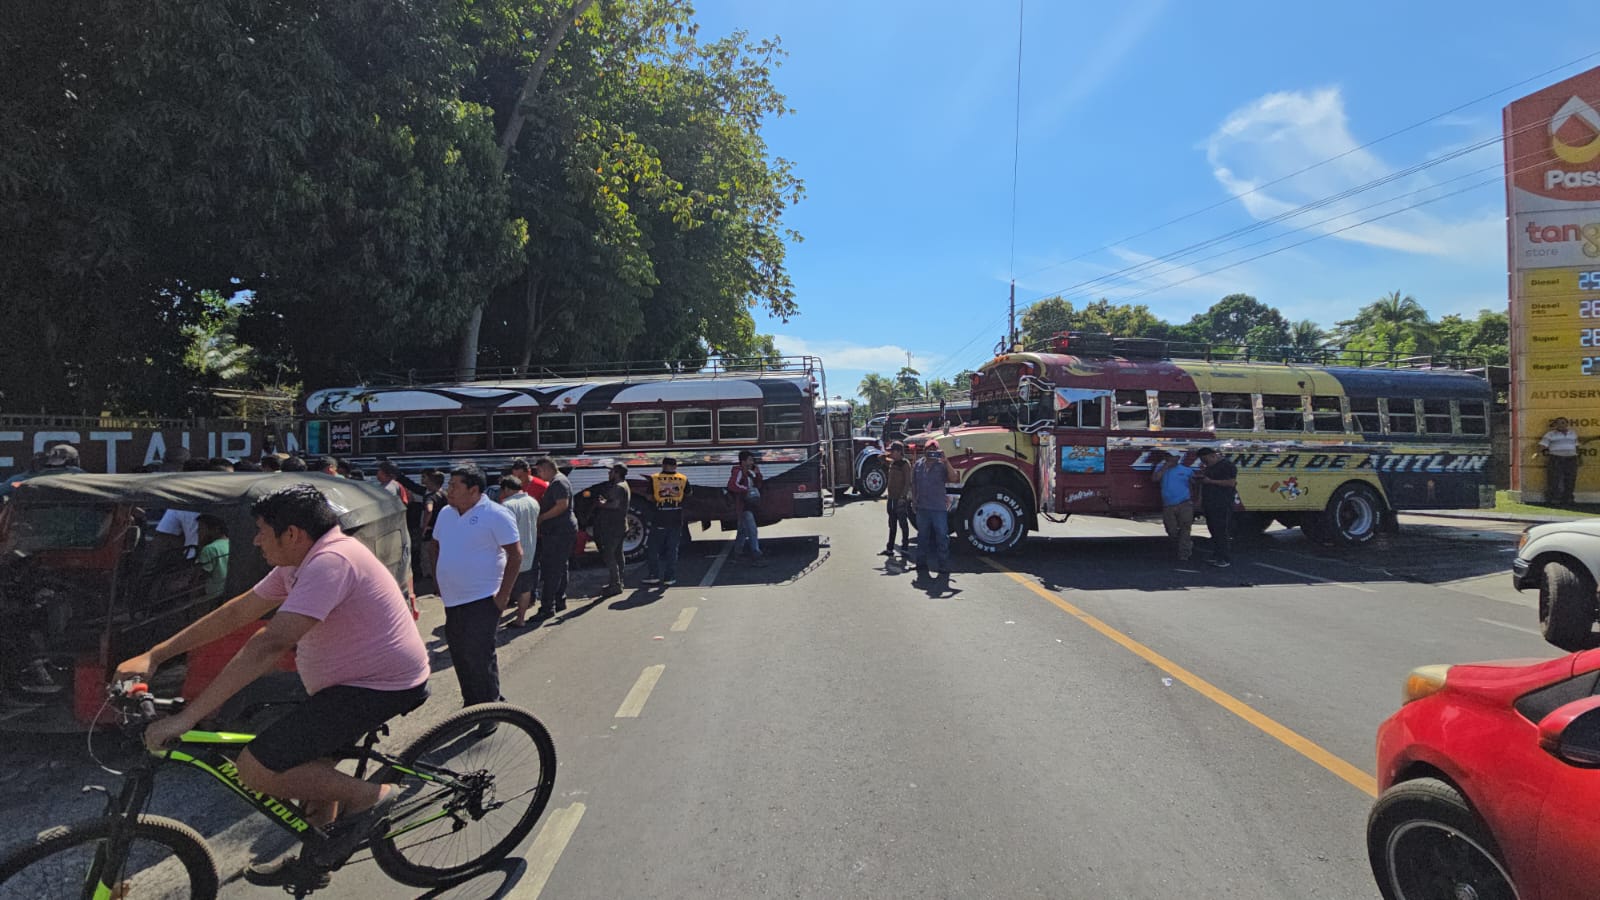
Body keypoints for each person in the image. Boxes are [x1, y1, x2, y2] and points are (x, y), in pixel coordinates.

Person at [115, 485, 429, 883]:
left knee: (257, 768)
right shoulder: (300, 561)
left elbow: (268, 645)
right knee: (307, 765)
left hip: (381, 685)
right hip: (344, 680)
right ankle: (319, 856)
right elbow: (240, 611)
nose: (255, 540)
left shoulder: (330, 562)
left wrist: (187, 718)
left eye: (262, 530)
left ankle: (372, 797)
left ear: (293, 533)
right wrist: (156, 655)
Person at [429, 464, 521, 707]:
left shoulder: (496, 514)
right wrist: (438, 579)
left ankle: (490, 707)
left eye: (454, 486)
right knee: (460, 655)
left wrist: (503, 596)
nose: (449, 490)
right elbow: (435, 545)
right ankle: (471, 704)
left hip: (483, 597)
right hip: (452, 598)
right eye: (449, 485)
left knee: (480, 656)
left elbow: (516, 555)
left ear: (474, 490)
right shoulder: (446, 513)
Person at [531, 457, 577, 618]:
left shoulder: (558, 483)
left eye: (539, 471)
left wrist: (542, 517)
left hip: (559, 530)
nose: (538, 474)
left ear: (546, 468)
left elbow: (561, 505)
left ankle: (547, 607)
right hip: (560, 529)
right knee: (560, 566)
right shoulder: (558, 481)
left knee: (552, 568)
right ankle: (559, 600)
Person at [909, 441, 958, 579]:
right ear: (924, 450)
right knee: (922, 537)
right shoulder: (918, 465)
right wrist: (913, 499)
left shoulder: (942, 465)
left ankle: (943, 565)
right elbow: (914, 483)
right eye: (928, 449)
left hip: (938, 508)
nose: (931, 452)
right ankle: (921, 563)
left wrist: (946, 460)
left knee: (942, 537)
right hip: (922, 507)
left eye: (934, 449)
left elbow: (954, 477)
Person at [496, 475, 541, 627]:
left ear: (507, 489)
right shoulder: (533, 502)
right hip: (530, 550)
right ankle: (520, 619)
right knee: (525, 588)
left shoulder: (506, 506)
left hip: (511, 553)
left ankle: (495, 621)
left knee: (505, 589)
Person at [643, 457, 689, 587]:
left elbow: (648, 496)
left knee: (653, 548)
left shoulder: (655, 478)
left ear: (663, 465)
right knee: (672, 549)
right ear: (675, 466)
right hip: (676, 517)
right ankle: (670, 577)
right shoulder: (683, 478)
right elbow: (688, 494)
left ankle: (654, 575)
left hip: (659, 517)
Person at [1151, 450, 1198, 564]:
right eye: (1167, 456)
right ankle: (1181, 543)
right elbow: (1155, 479)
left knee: (1185, 527)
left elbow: (1194, 484)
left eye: (1171, 456)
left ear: (1177, 458)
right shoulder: (1160, 468)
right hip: (1168, 504)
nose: (1168, 458)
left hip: (1184, 503)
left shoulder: (1186, 470)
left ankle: (1184, 553)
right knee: (1171, 529)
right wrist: (1165, 467)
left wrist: (1195, 501)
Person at [1195, 447, 1238, 568]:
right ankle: (1216, 554)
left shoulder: (1227, 466)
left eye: (1205, 460)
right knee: (1213, 530)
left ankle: (1224, 558)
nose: (1204, 463)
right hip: (1210, 503)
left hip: (1222, 503)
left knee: (1221, 531)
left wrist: (1211, 481)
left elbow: (1231, 483)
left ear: (1213, 455)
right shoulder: (1209, 467)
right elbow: (1204, 484)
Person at [592, 464, 631, 596]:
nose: (609, 474)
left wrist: (601, 503)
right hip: (620, 525)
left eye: (611, 472)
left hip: (613, 526)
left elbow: (614, 504)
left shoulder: (618, 487)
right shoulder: (624, 485)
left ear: (617, 473)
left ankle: (615, 584)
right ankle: (619, 581)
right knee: (618, 554)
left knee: (609, 554)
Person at [727, 450, 767, 566]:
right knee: (752, 530)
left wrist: (757, 474)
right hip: (743, 505)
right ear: (743, 461)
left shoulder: (749, 473)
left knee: (743, 531)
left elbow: (758, 484)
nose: (752, 462)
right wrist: (746, 490)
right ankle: (756, 553)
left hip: (748, 504)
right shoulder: (738, 471)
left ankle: (737, 553)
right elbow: (732, 485)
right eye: (750, 460)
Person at [879, 442, 913, 558]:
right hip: (891, 498)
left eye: (893, 451)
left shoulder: (904, 465)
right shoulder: (893, 463)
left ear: (899, 452)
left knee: (903, 523)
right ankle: (890, 548)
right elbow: (881, 458)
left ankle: (905, 547)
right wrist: (886, 454)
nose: (891, 453)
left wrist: (903, 497)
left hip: (900, 499)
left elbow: (908, 482)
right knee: (892, 524)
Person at [1540, 417, 1581, 506]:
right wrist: (1547, 452)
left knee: (1570, 479)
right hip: (1556, 459)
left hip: (1571, 459)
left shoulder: (1573, 433)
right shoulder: (1550, 434)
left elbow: (1577, 446)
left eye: (1563, 423)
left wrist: (1579, 458)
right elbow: (1542, 446)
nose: (1560, 425)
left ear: (1567, 424)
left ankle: (1569, 499)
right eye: (1558, 423)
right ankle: (1554, 499)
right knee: (1555, 479)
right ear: (1555, 425)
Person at [194, 514, 231, 603]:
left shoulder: (209, 549)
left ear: (215, 529)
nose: (198, 532)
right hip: (225, 592)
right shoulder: (230, 543)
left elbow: (199, 578)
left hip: (211, 597)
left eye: (201, 529)